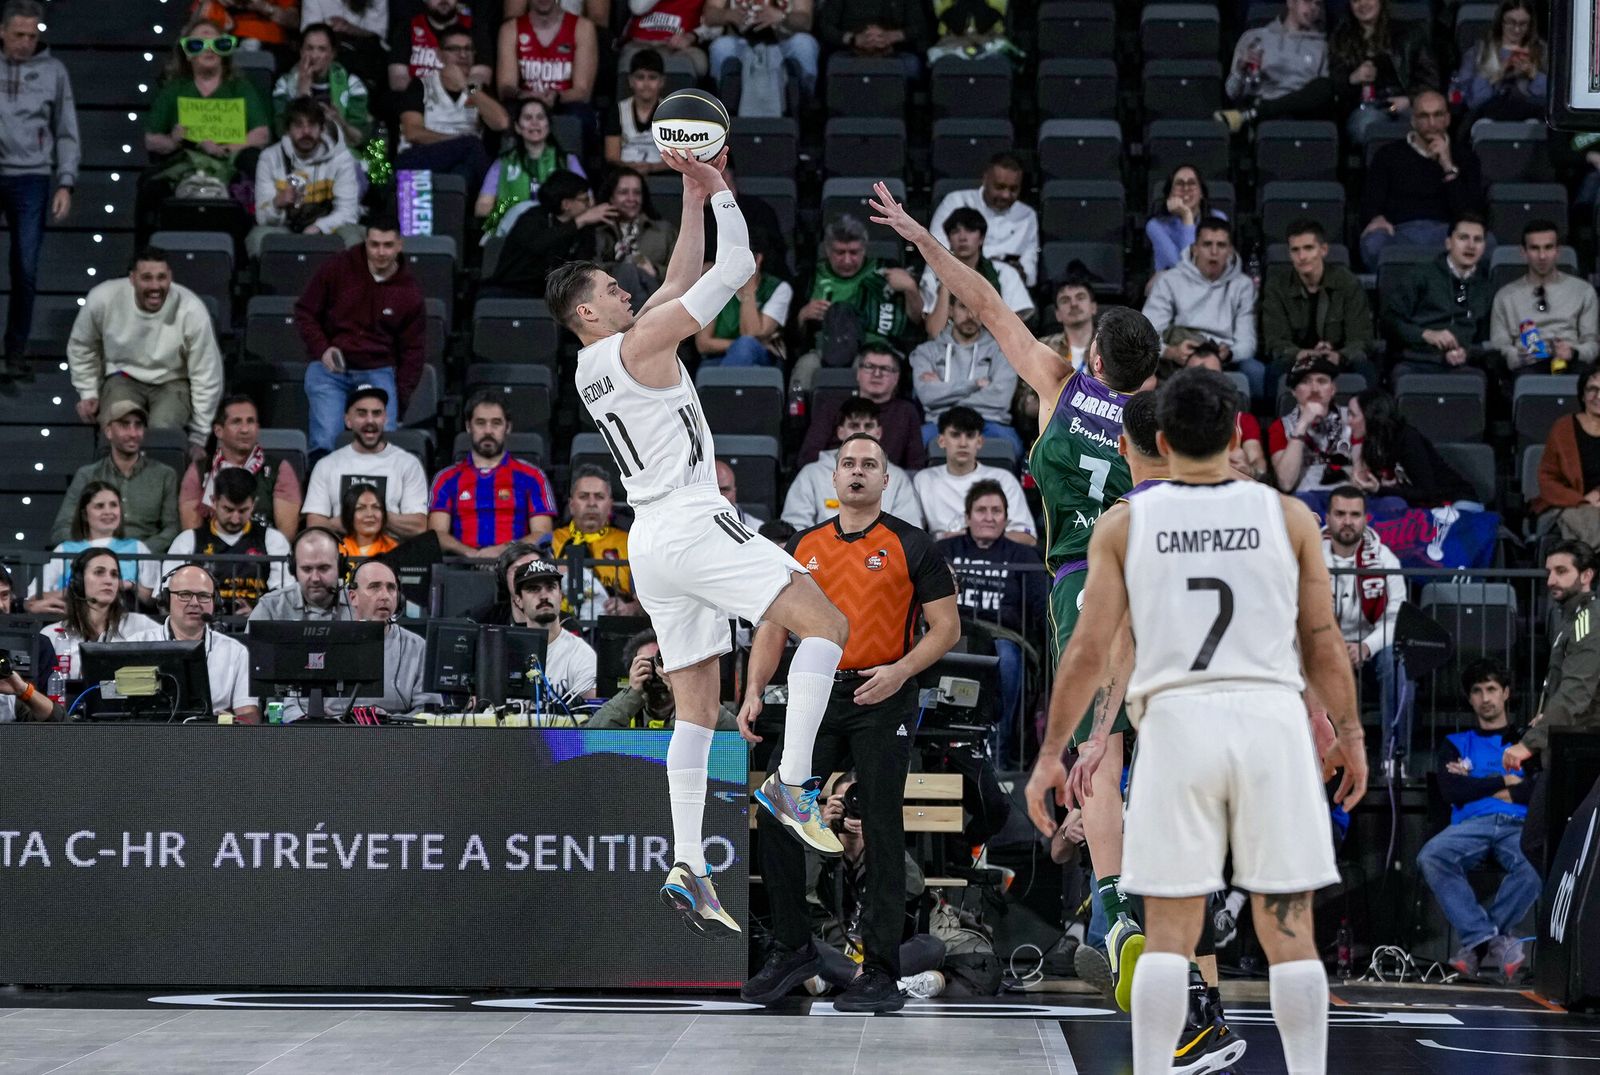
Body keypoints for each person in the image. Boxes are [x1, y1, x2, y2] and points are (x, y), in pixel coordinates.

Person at [868, 183, 1163, 1012]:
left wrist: (922, 237)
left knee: (1100, 758)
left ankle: (1113, 911)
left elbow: (987, 301)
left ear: (1094, 357)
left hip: (1084, 584)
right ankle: (1152, 911)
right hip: (1157, 587)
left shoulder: (1061, 386)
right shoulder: (1158, 430)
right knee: (1155, 753)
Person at [546, 146, 853, 936]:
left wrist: (687, 196)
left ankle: (687, 861)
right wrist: (718, 186)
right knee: (828, 624)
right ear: (588, 312)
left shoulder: (598, 361)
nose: (626, 287)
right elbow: (736, 267)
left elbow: (679, 280)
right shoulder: (639, 344)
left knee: (695, 709)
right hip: (690, 518)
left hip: (651, 541)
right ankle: (791, 781)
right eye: (611, 287)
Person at [1029, 366, 1367, 1075]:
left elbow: (1097, 650)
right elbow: (1321, 640)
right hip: (1268, 724)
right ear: (1238, 435)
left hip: (1179, 729)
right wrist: (1344, 730)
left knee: (1169, 932)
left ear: (1159, 441)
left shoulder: (1125, 524)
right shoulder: (1288, 517)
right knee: (1289, 932)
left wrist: (1067, 746)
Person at [740, 429, 960, 1011]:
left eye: (869, 464)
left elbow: (947, 628)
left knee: (880, 826)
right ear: (833, 477)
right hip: (818, 695)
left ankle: (881, 970)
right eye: (848, 463)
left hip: (884, 694)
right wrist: (754, 689)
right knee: (778, 809)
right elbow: (773, 626)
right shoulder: (804, 544)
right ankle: (794, 948)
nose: (858, 471)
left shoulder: (912, 543)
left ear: (886, 480)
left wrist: (900, 671)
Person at [1419, 658, 1538, 984]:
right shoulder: (1456, 744)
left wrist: (1477, 785)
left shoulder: (1525, 741)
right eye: (1477, 691)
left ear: (1506, 693)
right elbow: (1452, 791)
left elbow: (1536, 791)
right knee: (1431, 855)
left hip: (1518, 824)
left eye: (1492, 689)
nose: (1485, 698)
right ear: (1469, 698)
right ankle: (1491, 939)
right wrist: (1505, 781)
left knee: (1537, 861)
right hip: (1470, 825)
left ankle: (1478, 943)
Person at [67, 246, 224, 458]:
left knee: (161, 437)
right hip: (122, 376)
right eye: (147, 278)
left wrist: (199, 435)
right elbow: (82, 346)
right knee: (120, 431)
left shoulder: (191, 309)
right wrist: (88, 391)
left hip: (173, 380)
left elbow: (206, 373)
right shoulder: (103, 298)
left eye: (161, 278)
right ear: (132, 279)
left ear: (170, 277)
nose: (155, 286)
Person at [1502, 541, 1600, 874]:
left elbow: (1576, 691)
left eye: (1561, 571)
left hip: (1582, 748)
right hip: (1570, 742)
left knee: (1542, 844)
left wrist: (1529, 742)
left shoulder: (1588, 619)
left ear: (1586, 575)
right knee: (1549, 846)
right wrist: (1545, 718)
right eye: (1549, 572)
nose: (1551, 580)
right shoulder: (1572, 619)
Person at [808, 772, 949, 999]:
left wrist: (882, 832)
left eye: (861, 802)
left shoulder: (881, 846)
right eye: (845, 801)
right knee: (797, 943)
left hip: (878, 952)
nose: (852, 808)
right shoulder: (823, 847)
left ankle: (840, 977)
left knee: (932, 946)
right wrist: (820, 833)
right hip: (834, 949)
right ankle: (888, 981)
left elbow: (914, 886)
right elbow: (803, 888)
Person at [937, 478, 1046, 767]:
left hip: (1004, 639)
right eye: (981, 510)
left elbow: (1041, 608)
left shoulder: (1023, 555)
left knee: (1006, 659)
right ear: (967, 517)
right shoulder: (944, 549)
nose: (989, 517)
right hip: (954, 634)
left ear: (1006, 519)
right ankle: (940, 751)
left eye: (996, 511)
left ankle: (998, 751)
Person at [294, 217, 425, 454]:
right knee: (326, 441)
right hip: (330, 368)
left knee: (384, 444)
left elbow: (413, 351)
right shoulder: (337, 267)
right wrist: (322, 349)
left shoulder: (410, 292)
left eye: (388, 245)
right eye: (374, 244)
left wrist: (400, 398)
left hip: (378, 369)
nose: (380, 252)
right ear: (366, 242)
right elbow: (305, 312)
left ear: (399, 245)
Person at [0, 0, 77, 383]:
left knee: (26, 269)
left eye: (32, 36)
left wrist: (66, 181)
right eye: (18, 35)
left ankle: (15, 351)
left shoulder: (53, 71)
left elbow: (66, 130)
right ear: (2, 32)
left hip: (32, 177)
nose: (25, 42)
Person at [1323, 485, 1415, 776]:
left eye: (1354, 515)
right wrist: (1331, 645)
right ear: (1328, 517)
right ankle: (1317, 759)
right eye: (1340, 514)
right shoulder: (1310, 554)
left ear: (1365, 519)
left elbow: (1396, 617)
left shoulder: (1384, 559)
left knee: (1397, 662)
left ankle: (1393, 759)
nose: (1347, 521)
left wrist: (1366, 647)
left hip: (1371, 646)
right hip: (1323, 644)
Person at [278, 559, 441, 720]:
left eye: (391, 588)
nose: (385, 596)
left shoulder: (417, 647)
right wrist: (329, 724)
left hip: (394, 735)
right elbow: (293, 709)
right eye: (375, 587)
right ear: (353, 597)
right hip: (332, 734)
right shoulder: (320, 643)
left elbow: (429, 712)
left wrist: (388, 722)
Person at [791, 214, 923, 394]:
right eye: (840, 253)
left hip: (875, 350)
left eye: (853, 253)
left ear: (864, 250)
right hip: (824, 349)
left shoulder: (887, 269)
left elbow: (916, 321)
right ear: (828, 250)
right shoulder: (809, 277)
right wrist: (802, 316)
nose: (847, 260)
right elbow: (791, 337)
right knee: (805, 367)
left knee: (865, 369)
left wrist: (911, 288)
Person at [141, 19, 272, 197]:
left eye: (217, 44)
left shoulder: (240, 87)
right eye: (198, 44)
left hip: (231, 162)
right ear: (188, 53)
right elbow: (151, 139)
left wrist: (227, 149)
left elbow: (261, 133)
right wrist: (173, 141)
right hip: (185, 161)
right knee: (149, 184)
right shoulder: (174, 89)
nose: (209, 49)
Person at [1359, 90, 1485, 269]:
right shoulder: (1388, 155)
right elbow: (1370, 201)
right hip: (1400, 233)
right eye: (1424, 116)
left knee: (1487, 243)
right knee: (1373, 242)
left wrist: (1447, 166)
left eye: (1438, 115)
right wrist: (1376, 218)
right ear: (1413, 120)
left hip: (1448, 234)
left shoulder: (1466, 157)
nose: (1432, 123)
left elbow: (1470, 213)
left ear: (1447, 119)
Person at [1142, 217, 1264, 400]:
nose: (1214, 252)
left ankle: (1245, 418)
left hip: (1225, 356)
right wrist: (1171, 352)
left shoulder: (1243, 285)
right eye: (1207, 244)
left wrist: (1229, 354)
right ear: (1195, 248)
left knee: (1255, 371)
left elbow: (1247, 341)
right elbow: (1147, 334)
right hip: (1179, 352)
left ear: (1230, 251)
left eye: (1221, 245)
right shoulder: (1169, 280)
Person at [429, 390, 558, 556]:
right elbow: (436, 534)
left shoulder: (533, 476)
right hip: (462, 565)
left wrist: (502, 551)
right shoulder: (446, 479)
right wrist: (471, 554)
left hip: (517, 564)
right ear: (468, 427)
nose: (488, 431)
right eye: (480, 423)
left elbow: (542, 534)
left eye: (496, 423)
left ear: (508, 427)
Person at [1261, 218, 1379, 396]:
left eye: (1308, 248)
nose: (1302, 257)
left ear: (1323, 250)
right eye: (1295, 250)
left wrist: (1340, 355)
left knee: (1365, 369)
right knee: (1275, 371)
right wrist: (1301, 354)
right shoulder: (1277, 286)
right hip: (1297, 359)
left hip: (1339, 358)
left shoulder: (1347, 283)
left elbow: (1361, 338)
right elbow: (1275, 341)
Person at [130, 564, 260, 722]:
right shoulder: (137, 645)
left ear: (215, 602)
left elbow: (250, 716)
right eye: (184, 594)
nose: (194, 603)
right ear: (167, 599)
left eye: (203, 596)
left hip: (213, 735)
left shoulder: (236, 652)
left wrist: (223, 721)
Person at [50, 401, 181, 553]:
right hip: (94, 558)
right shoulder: (87, 475)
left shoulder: (165, 475)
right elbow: (61, 529)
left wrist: (137, 551)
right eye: (125, 425)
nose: (133, 433)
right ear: (108, 432)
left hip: (144, 559)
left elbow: (172, 529)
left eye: (138, 425)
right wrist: (95, 551)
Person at [302, 385, 428, 537]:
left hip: (392, 550)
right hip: (341, 550)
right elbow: (314, 525)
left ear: (385, 419)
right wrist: (349, 521)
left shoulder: (408, 464)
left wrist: (373, 516)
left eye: (377, 413)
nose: (370, 420)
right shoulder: (326, 465)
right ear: (348, 420)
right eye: (361, 414)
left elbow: (419, 527)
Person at [163, 465, 292, 614]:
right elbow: (166, 597)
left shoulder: (273, 540)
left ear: (254, 504)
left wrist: (259, 613)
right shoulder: (187, 541)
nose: (235, 519)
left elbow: (286, 596)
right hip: (203, 624)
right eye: (228, 510)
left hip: (257, 625)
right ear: (213, 501)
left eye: (243, 510)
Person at [248, 95, 363, 258]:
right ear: (287, 130)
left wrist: (320, 227)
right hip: (286, 228)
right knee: (258, 238)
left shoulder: (341, 158)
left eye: (312, 125)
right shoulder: (270, 157)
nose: (306, 132)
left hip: (329, 228)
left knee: (353, 237)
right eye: (298, 125)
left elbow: (348, 212)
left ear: (322, 128)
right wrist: (276, 203)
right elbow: (262, 218)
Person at [782, 397, 924, 529]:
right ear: (840, 432)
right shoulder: (811, 474)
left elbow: (908, 532)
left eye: (868, 426)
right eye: (854, 426)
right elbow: (794, 527)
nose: (862, 432)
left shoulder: (897, 478)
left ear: (879, 432)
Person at [394, 26, 509, 188]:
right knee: (472, 145)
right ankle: (495, 197)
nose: (463, 55)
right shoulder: (421, 85)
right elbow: (413, 133)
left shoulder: (477, 90)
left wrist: (466, 86)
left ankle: (466, 202)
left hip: (464, 158)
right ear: (439, 54)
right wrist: (460, 143)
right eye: (454, 49)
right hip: (419, 156)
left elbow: (502, 122)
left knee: (463, 172)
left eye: (468, 49)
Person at [1381, 214, 1494, 377]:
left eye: (1477, 240)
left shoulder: (1486, 288)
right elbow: (1390, 321)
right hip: (1417, 361)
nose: (1471, 246)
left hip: (1464, 365)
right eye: (1463, 238)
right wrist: (1426, 335)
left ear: (1484, 247)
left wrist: (1466, 353)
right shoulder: (1420, 276)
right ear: (1448, 243)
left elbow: (1485, 341)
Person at [911, 295, 1022, 455]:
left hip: (989, 422)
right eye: (963, 307)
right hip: (940, 423)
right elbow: (927, 396)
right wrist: (974, 385)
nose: (970, 315)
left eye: (976, 309)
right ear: (951, 310)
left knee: (1010, 445)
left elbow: (1000, 399)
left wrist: (943, 393)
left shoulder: (1002, 352)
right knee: (915, 444)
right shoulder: (926, 352)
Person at [179, 394, 303, 537]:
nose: (245, 429)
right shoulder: (200, 470)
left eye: (250, 422)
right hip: (211, 549)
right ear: (219, 430)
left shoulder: (279, 469)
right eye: (236, 422)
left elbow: (286, 536)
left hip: (263, 549)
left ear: (257, 428)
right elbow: (191, 535)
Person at [28, 483, 159, 615]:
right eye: (99, 506)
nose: (108, 511)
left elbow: (155, 599)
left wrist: (130, 585)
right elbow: (32, 598)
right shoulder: (64, 549)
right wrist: (78, 590)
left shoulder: (137, 547)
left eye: (113, 505)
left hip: (126, 621)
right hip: (73, 620)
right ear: (84, 514)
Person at [36, 546, 161, 683]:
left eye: (114, 574)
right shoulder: (51, 636)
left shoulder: (143, 627)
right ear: (78, 581)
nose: (109, 580)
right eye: (99, 572)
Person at [1491, 221, 1600, 376]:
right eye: (1535, 248)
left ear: (1558, 251)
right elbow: (1499, 345)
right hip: (1526, 366)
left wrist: (1573, 352)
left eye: (1548, 247)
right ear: (1523, 252)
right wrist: (1520, 356)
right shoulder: (1505, 296)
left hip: (1571, 363)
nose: (1542, 256)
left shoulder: (1583, 291)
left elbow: (1592, 344)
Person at [485, 169, 616, 298]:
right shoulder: (533, 218)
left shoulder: (584, 227)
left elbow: (583, 261)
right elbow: (538, 244)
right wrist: (579, 222)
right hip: (510, 290)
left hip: (552, 295)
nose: (590, 205)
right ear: (566, 204)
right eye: (585, 200)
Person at [913, 406, 1035, 544]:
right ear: (941, 441)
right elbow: (910, 536)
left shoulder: (1004, 479)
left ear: (980, 442)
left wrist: (973, 537)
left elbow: (1028, 538)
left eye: (970, 436)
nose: (963, 443)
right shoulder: (924, 480)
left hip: (995, 553)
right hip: (941, 553)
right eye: (955, 435)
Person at [1327, 0, 1438, 144]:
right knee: (1367, 124)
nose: (1363, 4)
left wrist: (1409, 99)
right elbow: (1333, 85)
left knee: (1423, 123)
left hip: (1406, 102)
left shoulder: (1410, 34)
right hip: (1365, 107)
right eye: (1356, 1)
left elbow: (1430, 79)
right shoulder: (1341, 38)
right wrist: (1353, 78)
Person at [798, 345, 926, 469]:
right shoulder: (832, 406)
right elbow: (808, 457)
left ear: (896, 378)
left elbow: (915, 465)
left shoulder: (906, 411)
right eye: (869, 367)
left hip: (887, 480)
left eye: (885, 369)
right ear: (858, 373)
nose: (877, 374)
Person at [1214, 0, 1333, 132]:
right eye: (1307, 1)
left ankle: (1255, 112)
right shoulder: (1255, 37)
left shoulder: (1322, 47)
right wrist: (1240, 71)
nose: (1313, 8)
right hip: (1264, 111)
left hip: (1302, 114)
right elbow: (1231, 93)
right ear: (1291, 3)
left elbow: (1323, 93)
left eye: (1317, 4)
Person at [476, 96, 586, 238]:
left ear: (548, 126)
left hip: (556, 232)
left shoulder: (567, 161)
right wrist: (506, 208)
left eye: (540, 117)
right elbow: (482, 207)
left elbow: (587, 201)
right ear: (517, 127)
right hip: (511, 231)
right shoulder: (502, 163)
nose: (535, 122)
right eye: (528, 118)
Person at [1348, 388, 1476, 507]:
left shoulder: (1407, 438)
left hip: (1454, 501)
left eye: (1353, 415)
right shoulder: (1371, 442)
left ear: (1371, 417)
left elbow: (1426, 492)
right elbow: (1364, 484)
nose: (1348, 421)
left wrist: (1381, 489)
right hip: (1421, 505)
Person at [589, 627, 740, 728]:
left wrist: (682, 689)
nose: (657, 669)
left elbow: (741, 740)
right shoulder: (625, 708)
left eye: (662, 661)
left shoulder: (698, 707)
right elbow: (590, 736)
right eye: (648, 662)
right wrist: (632, 693)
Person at [928, 153, 1038, 288]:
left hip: (1007, 288)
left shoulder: (1027, 215)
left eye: (1013, 189)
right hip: (954, 282)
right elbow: (936, 251)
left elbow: (1030, 272)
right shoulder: (956, 202)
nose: (1006, 195)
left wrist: (1020, 273)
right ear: (985, 179)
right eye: (999, 187)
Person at [920, 207, 1032, 338]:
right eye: (955, 232)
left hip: (993, 347)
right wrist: (946, 282)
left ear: (981, 238)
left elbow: (1015, 330)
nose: (962, 237)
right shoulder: (932, 276)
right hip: (948, 346)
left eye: (970, 230)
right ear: (949, 240)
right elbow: (935, 332)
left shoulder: (1006, 273)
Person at [508, 557, 597, 703]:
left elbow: (592, 710)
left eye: (550, 587)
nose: (544, 596)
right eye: (533, 589)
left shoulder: (580, 653)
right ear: (518, 600)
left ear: (560, 595)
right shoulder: (504, 653)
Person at [704, 0, 818, 113]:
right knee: (721, 47)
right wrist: (729, 15)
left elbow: (805, 20)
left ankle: (804, 105)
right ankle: (725, 105)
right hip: (741, 39)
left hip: (785, 38)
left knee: (804, 44)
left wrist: (781, 17)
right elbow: (709, 15)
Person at [271, 22, 371, 150]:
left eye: (321, 49)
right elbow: (281, 132)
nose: (314, 56)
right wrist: (302, 94)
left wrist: (338, 121)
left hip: (341, 154)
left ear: (332, 54)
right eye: (309, 48)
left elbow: (359, 138)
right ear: (301, 51)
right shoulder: (284, 84)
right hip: (298, 154)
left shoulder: (352, 84)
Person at [1268, 356, 1355, 495]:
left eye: (1322, 381)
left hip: (1349, 497)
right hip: (1305, 499)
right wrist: (1302, 424)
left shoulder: (1353, 418)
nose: (1314, 389)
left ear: (1333, 389)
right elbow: (1285, 483)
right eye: (1305, 382)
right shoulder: (1280, 427)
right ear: (1294, 391)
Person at [1534, 365, 1600, 547]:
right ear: (1582, 394)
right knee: (1588, 520)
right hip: (1569, 504)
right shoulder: (1563, 428)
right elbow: (1547, 479)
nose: (1598, 396)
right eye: (1592, 389)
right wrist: (1582, 501)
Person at [591, 166, 678, 302]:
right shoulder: (597, 232)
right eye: (623, 192)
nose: (631, 198)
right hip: (607, 300)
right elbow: (587, 272)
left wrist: (655, 270)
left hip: (655, 298)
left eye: (637, 193)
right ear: (611, 197)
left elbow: (682, 274)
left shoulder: (664, 231)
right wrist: (622, 268)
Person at [694, 243, 789, 366]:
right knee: (742, 346)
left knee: (746, 346)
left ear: (757, 259)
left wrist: (748, 290)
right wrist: (737, 345)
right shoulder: (715, 286)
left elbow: (751, 334)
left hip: (759, 360)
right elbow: (703, 344)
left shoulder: (777, 288)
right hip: (717, 359)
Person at [496, 0, 597, 114]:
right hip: (524, 106)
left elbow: (583, 91)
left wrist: (557, 97)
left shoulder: (583, 28)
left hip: (565, 106)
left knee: (578, 112)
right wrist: (525, 95)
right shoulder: (510, 30)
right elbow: (505, 88)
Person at [550, 464, 632, 604]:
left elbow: (646, 598)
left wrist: (630, 608)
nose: (592, 503)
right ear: (571, 505)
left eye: (599, 497)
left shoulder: (629, 543)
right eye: (583, 496)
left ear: (610, 505)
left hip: (613, 617)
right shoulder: (551, 540)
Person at [1456, 0, 1547, 124]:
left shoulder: (1542, 51)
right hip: (1486, 115)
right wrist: (1496, 75)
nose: (1517, 29)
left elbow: (1552, 98)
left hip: (1532, 115)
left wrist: (1534, 74)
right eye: (1511, 23)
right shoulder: (1479, 52)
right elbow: (1471, 100)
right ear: (1501, 22)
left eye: (1523, 24)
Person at [247, 524, 354, 621]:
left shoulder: (358, 603)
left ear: (340, 567)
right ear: (294, 569)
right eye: (306, 569)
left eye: (323, 568)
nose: (315, 578)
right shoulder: (270, 607)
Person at [387, 0, 492, 94]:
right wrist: (422, 98)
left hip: (464, 102)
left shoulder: (476, 29)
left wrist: (467, 92)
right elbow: (397, 79)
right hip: (416, 102)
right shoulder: (407, 28)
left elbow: (481, 78)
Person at [817, 0, 930, 86]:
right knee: (834, 65)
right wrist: (854, 39)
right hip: (850, 51)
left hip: (895, 52)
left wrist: (891, 36)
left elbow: (920, 26)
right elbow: (826, 26)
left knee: (911, 65)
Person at [1145, 165, 1224, 275]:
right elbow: (1186, 269)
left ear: (1201, 193)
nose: (1186, 189)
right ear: (1170, 194)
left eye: (1192, 183)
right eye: (1179, 184)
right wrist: (1187, 216)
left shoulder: (1218, 219)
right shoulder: (1156, 225)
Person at [603, 48, 669, 173]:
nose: (646, 84)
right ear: (630, 81)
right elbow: (611, 157)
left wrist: (651, 168)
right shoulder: (617, 111)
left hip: (662, 176)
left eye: (652, 77)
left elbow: (679, 158)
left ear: (662, 81)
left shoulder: (672, 112)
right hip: (623, 174)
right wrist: (631, 169)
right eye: (640, 77)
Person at [620, 0, 711, 80]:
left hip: (677, 47)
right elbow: (637, 8)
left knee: (697, 62)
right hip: (640, 42)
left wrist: (692, 36)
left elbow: (714, 25)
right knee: (633, 63)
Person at [1036, 275, 1097, 374]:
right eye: (1065, 300)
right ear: (1057, 314)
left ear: (1093, 307)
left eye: (1080, 298)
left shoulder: (1112, 346)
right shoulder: (1042, 348)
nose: (1073, 304)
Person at [336, 481, 397, 557]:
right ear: (349, 514)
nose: (370, 514)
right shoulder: (337, 550)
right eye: (360, 508)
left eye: (376, 507)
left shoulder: (394, 550)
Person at [714, 458, 763, 531]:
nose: (719, 496)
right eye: (712, 490)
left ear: (734, 492)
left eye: (724, 490)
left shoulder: (757, 529)